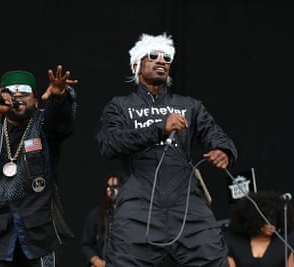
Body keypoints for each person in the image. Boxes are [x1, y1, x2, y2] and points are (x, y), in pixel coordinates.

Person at [96, 32, 238, 267]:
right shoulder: (120, 106)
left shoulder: (189, 105)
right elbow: (109, 144)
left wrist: (223, 151)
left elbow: (216, 136)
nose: (161, 61)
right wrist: (160, 128)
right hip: (139, 201)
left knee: (213, 257)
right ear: (136, 65)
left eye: (166, 58)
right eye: (153, 56)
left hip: (186, 201)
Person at [0, 65, 78, 267]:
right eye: (12, 92)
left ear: (36, 100)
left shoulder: (44, 125)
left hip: (40, 235)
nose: (18, 96)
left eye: (25, 92)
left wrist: (60, 97)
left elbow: (62, 122)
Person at [224, 191, 294, 267]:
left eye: (275, 218)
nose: (272, 224)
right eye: (267, 219)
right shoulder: (234, 244)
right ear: (254, 220)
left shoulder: (284, 245)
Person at [81, 173, 122, 267]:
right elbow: (85, 246)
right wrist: (96, 260)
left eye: (115, 187)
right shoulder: (96, 214)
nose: (111, 190)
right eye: (108, 187)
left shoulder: (125, 214)